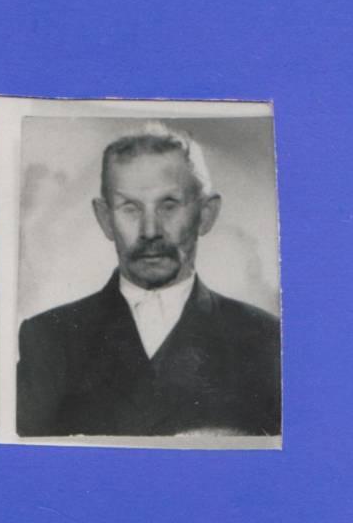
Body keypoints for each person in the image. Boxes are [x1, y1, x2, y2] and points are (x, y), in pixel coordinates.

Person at [17, 122, 281, 437]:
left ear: (206, 214)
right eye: (130, 208)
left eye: (169, 206)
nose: (150, 231)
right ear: (105, 219)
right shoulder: (49, 340)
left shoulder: (264, 340)